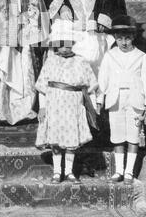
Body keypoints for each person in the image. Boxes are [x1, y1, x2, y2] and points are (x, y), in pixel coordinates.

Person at [35, 20, 100, 184]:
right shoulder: (50, 62)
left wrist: (94, 105)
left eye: (68, 44)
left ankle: (69, 172)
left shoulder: (81, 61)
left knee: (71, 140)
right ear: (56, 45)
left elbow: (90, 86)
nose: (65, 47)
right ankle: (57, 172)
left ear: (73, 43)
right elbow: (42, 87)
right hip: (54, 106)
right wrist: (42, 108)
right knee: (56, 140)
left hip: (73, 106)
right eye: (61, 44)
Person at [98, 15, 146, 184]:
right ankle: (119, 171)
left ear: (133, 38)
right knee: (117, 136)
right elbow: (103, 80)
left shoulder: (141, 56)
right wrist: (100, 100)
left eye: (127, 38)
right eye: (120, 38)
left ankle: (129, 172)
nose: (124, 42)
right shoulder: (109, 55)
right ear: (115, 38)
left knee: (133, 136)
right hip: (116, 99)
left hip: (135, 99)